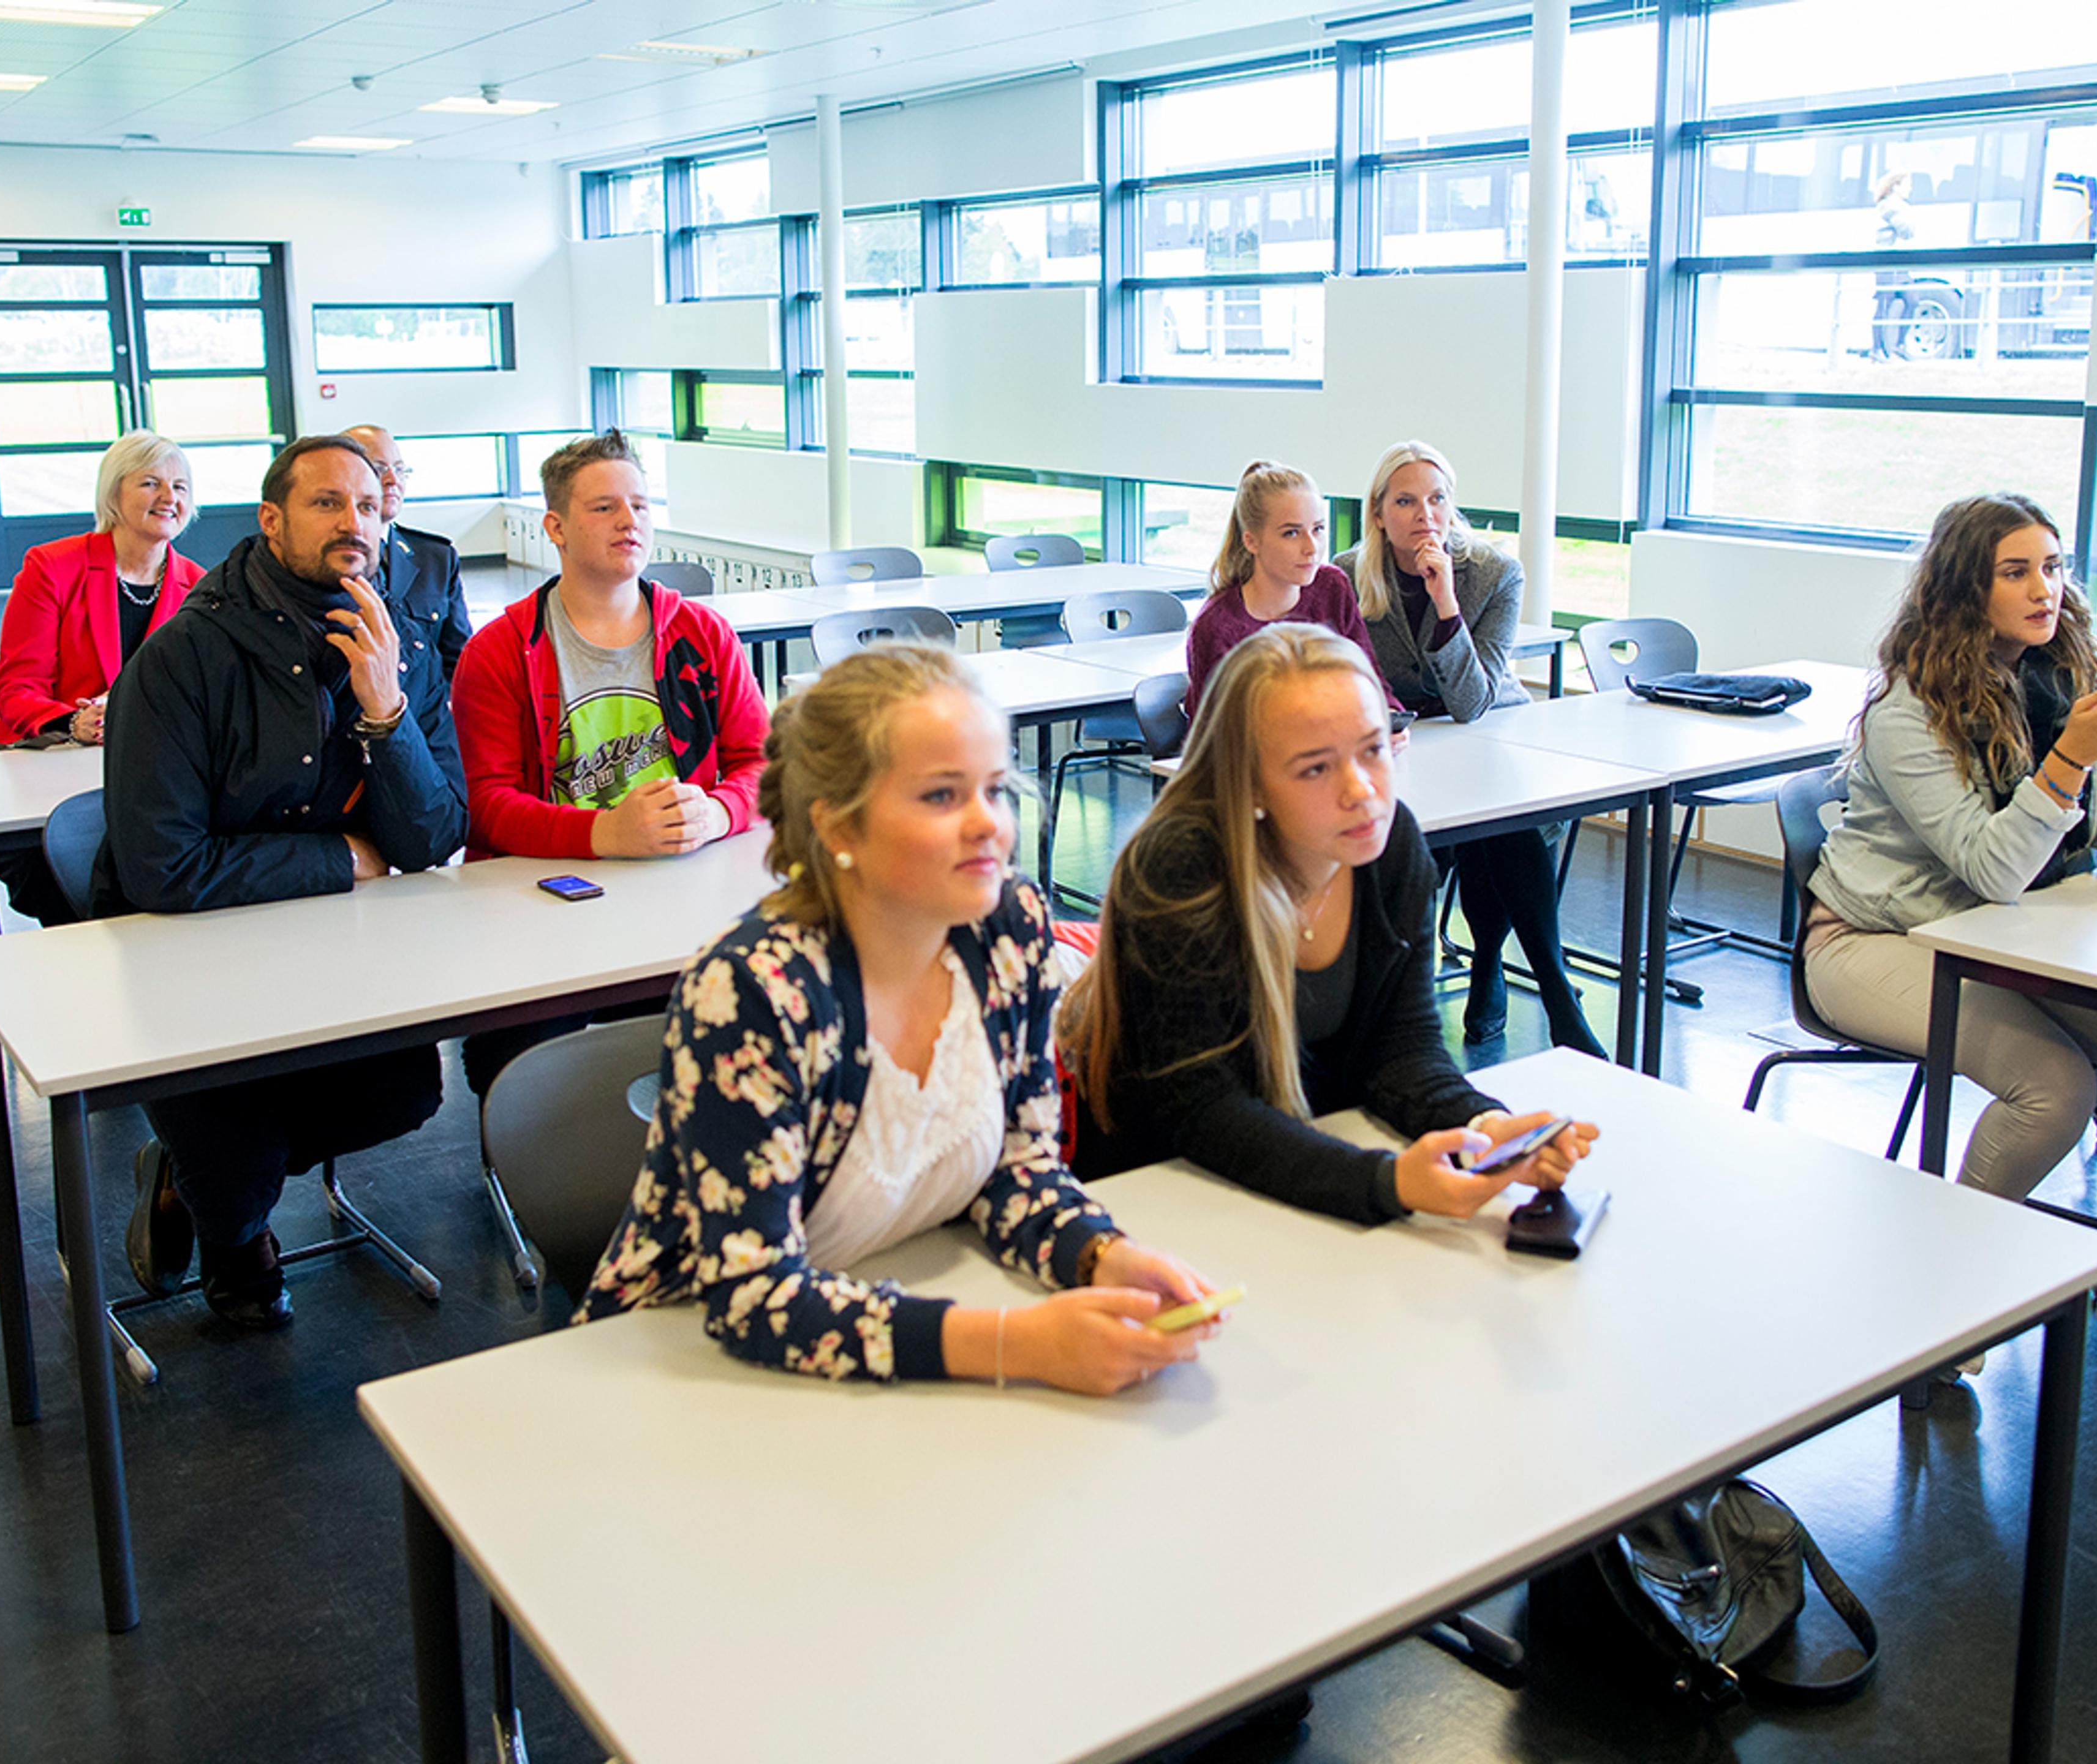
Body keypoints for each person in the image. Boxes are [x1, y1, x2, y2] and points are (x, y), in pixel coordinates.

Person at [579, 643, 1219, 1393]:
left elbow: (1018, 1168)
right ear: (839, 829)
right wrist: (1018, 1344)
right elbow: (752, 1297)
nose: (989, 824)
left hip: (870, 1333)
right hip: (677, 1372)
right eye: (942, 796)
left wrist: (1101, 1254)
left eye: (994, 789)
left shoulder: (1007, 928)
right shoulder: (755, 991)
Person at [1803, 492, 2097, 1405]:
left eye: (2052, 568)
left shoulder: (2064, 675)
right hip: (1874, 939)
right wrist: (2068, 760)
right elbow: (1991, 870)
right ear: (1962, 588)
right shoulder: (1909, 708)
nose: (2043, 589)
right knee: (2056, 1089)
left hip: (2003, 941)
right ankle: (1945, 1302)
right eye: (2014, 572)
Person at [95, 434, 467, 1329]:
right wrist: (340, 858)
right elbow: (163, 867)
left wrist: (385, 710)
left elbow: (432, 837)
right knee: (239, 1162)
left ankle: (194, 1176)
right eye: (326, 503)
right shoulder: (185, 655)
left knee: (407, 1092)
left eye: (368, 506)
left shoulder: (398, 642)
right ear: (271, 520)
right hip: (183, 947)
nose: (354, 524)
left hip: (332, 937)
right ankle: (229, 1220)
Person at [1061, 623, 1596, 1222]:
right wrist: (1388, 1184)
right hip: (1160, 1195)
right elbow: (1201, 1109)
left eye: (1373, 749)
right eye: (1316, 769)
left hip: (1300, 1176)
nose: (1361, 790)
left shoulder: (1391, 849)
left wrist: (1483, 1127)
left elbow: (1404, 1052)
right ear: (1250, 783)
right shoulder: (1184, 867)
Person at [451, 428, 769, 1097]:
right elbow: (486, 806)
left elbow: (761, 765)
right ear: (556, 528)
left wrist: (716, 814)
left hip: (684, 894)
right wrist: (605, 833)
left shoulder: (703, 635)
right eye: (604, 508)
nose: (630, 521)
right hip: (548, 904)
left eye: (641, 506)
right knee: (518, 1070)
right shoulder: (500, 651)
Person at [1336, 440, 1604, 1055]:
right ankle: (1505, 973)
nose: (1425, 515)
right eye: (1406, 502)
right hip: (1407, 743)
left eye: (1437, 499)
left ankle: (1525, 978)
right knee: (1483, 832)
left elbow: (1472, 702)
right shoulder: (1347, 577)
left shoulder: (1494, 573)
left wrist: (1446, 602)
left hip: (1487, 730)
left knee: (1504, 817)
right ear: (1378, 512)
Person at [0, 431, 203, 924]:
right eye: (151, 483)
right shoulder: (52, 567)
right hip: (44, 781)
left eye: (181, 487)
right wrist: (74, 723)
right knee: (74, 889)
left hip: (147, 780)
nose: (169, 497)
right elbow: (15, 689)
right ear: (113, 494)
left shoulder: (200, 587)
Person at [1182, 459, 1398, 718]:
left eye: (1318, 529)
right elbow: (1220, 733)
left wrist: (1388, 715)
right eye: (1292, 534)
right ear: (1251, 541)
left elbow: (1369, 679)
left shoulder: (1332, 587)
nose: (1312, 548)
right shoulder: (1217, 627)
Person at [342, 423, 474, 685]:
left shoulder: (435, 559)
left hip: (427, 707)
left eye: (400, 470)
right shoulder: (326, 558)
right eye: (379, 469)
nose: (393, 480)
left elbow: (459, 660)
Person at [1869, 170, 1918, 360]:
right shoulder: (1888, 206)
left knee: (1912, 300)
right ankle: (1877, 350)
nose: (1910, 189)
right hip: (1886, 263)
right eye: (1907, 184)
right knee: (1884, 304)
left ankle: (1898, 346)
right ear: (1896, 186)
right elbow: (1907, 231)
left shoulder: (1900, 207)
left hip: (1900, 264)